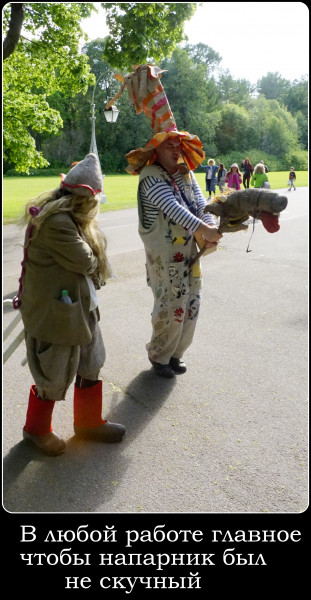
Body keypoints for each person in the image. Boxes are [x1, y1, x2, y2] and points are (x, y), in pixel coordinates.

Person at [111, 64, 222, 378]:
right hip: (165, 257)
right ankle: (159, 357)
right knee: (170, 305)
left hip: (190, 253)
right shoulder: (150, 176)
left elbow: (199, 203)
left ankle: (176, 354)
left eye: (178, 145)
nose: (175, 150)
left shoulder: (186, 173)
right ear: (155, 150)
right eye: (169, 145)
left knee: (192, 303)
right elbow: (170, 206)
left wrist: (211, 222)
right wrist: (202, 228)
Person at [14, 153, 126, 456]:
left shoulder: (70, 219)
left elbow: (88, 262)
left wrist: (92, 254)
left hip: (78, 306)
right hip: (55, 314)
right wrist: (94, 253)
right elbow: (85, 260)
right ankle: (35, 430)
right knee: (53, 371)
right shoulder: (57, 221)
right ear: (84, 199)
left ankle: (88, 423)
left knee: (92, 361)